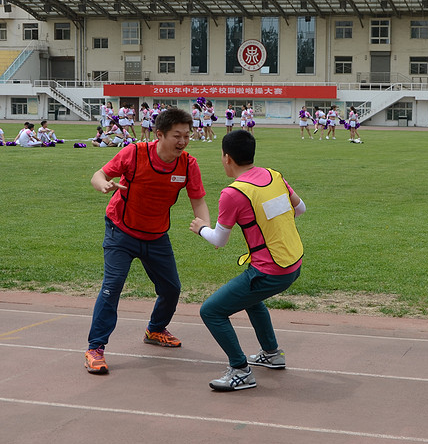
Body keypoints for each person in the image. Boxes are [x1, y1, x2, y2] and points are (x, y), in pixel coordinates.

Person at [84, 106, 209, 374]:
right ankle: (95, 348)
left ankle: (155, 329)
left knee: (172, 289)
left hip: (156, 234)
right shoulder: (135, 153)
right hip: (121, 230)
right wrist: (103, 185)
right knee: (112, 286)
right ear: (159, 134)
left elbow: (198, 200)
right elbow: (99, 174)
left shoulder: (188, 164)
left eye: (187, 135)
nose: (183, 141)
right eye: (177, 135)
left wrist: (206, 227)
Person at [189, 129, 305, 391]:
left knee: (211, 311)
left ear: (226, 158)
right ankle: (272, 353)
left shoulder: (233, 193)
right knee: (252, 301)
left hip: (269, 271)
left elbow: (219, 240)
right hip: (293, 262)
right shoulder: (274, 175)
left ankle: (240, 370)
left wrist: (200, 228)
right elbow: (300, 209)